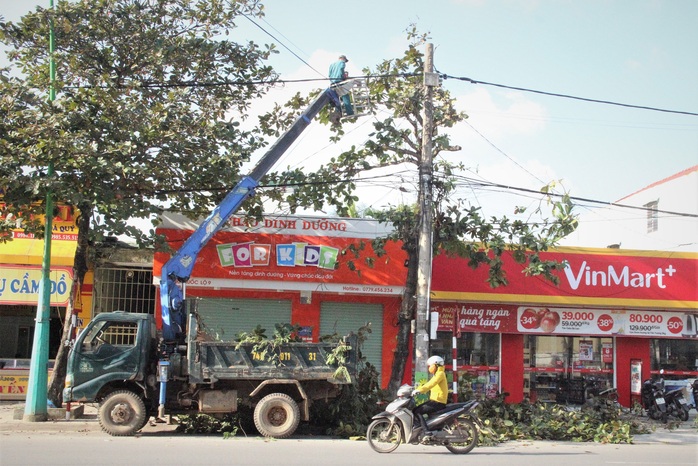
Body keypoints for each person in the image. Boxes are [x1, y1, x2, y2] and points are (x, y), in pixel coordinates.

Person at [412, 355, 448, 431]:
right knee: (416, 409)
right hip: (434, 400)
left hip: (438, 402)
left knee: (417, 411)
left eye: (431, 365)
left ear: (436, 364)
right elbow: (429, 384)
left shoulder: (440, 374)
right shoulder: (437, 374)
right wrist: (416, 389)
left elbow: (431, 384)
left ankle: (426, 432)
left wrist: (420, 390)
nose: (429, 368)